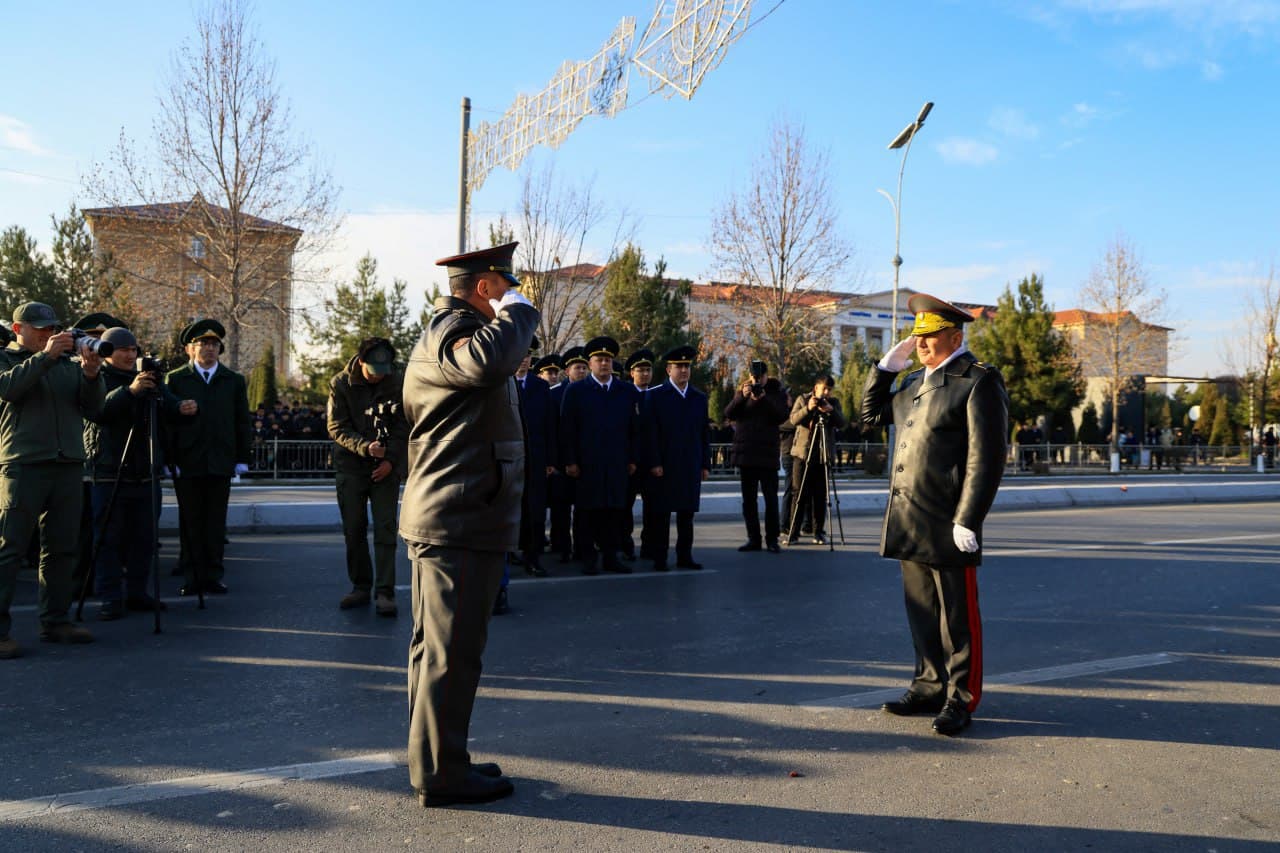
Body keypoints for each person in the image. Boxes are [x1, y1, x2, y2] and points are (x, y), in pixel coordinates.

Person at [400, 240, 535, 807]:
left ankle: (440, 758)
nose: (512, 293)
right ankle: (441, 773)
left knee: (440, 650)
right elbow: (487, 361)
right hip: (457, 517)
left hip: (459, 513)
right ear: (485, 287)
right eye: (505, 285)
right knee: (450, 652)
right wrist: (520, 313)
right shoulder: (453, 332)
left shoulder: (456, 333)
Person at [860, 292, 1009, 737]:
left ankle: (961, 699)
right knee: (922, 611)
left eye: (931, 337)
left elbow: (987, 458)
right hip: (911, 518)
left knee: (957, 618)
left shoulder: (977, 381)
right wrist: (884, 371)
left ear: (955, 335)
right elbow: (870, 416)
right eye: (917, 337)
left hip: (947, 520)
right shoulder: (913, 384)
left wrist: (969, 518)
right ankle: (928, 685)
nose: (921, 345)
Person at [0, 302, 106, 658]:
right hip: (23, 465)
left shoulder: (66, 366)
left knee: (61, 548)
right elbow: (9, 390)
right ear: (18, 330)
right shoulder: (8, 360)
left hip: (67, 464)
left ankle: (56, 621)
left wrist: (92, 376)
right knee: (9, 549)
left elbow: (93, 409)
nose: (49, 333)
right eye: (40, 328)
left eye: (52, 328)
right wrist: (45, 357)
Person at [87, 327, 193, 620]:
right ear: (109, 351)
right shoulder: (98, 377)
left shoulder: (150, 379)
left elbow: (169, 408)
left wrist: (184, 408)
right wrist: (131, 391)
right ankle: (110, 597)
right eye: (123, 350)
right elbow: (99, 411)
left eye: (134, 350)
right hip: (109, 472)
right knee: (108, 538)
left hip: (146, 472)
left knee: (144, 538)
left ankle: (137, 593)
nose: (130, 355)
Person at [164, 319, 252, 597]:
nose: (209, 349)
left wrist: (242, 457)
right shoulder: (176, 379)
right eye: (203, 344)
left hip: (220, 459)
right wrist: (170, 458)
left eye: (214, 344)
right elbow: (168, 422)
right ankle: (191, 576)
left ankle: (213, 575)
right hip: (188, 460)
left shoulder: (233, 380)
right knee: (190, 521)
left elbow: (241, 421)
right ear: (190, 349)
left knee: (215, 522)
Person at [327, 337, 408, 617]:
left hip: (385, 468)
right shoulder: (341, 383)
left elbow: (405, 424)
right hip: (351, 466)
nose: (379, 376)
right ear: (361, 362)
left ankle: (385, 592)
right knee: (354, 529)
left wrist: (390, 460)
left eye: (383, 370)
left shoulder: (397, 382)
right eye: (374, 370)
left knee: (386, 529)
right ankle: (360, 586)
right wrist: (365, 447)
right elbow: (337, 426)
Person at [559, 336, 640, 575]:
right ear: (590, 363)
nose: (604, 364)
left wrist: (633, 458)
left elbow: (635, 429)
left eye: (608, 360)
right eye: (599, 360)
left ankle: (611, 556)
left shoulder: (625, 391)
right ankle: (587, 557)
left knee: (614, 511)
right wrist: (570, 461)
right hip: (587, 463)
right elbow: (567, 429)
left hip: (616, 462)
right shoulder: (576, 391)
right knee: (587, 511)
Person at [641, 346, 710, 570]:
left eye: (687, 367)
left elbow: (703, 433)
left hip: (689, 463)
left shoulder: (698, 398)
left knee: (686, 514)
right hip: (665, 464)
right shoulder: (655, 395)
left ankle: (684, 556)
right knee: (661, 514)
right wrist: (654, 462)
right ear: (669, 369)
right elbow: (649, 433)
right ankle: (660, 557)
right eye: (678, 366)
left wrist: (704, 463)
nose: (683, 371)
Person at [723, 360, 789, 553]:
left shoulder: (776, 391)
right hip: (747, 454)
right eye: (754, 377)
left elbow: (781, 416)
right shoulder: (743, 390)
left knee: (770, 499)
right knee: (748, 500)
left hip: (767, 454)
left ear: (767, 375)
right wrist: (742, 397)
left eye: (760, 377)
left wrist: (764, 399)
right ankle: (753, 538)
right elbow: (729, 413)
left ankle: (772, 539)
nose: (757, 381)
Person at [786, 376, 846, 545]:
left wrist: (831, 411)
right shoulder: (802, 399)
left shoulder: (833, 402)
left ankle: (818, 532)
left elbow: (842, 422)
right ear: (816, 387)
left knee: (820, 495)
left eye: (829, 389)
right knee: (799, 493)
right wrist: (808, 408)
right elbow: (793, 420)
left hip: (822, 454)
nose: (826, 392)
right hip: (802, 454)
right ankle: (793, 532)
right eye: (824, 389)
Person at [514, 338, 555, 580]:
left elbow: (550, 424)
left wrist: (551, 458)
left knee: (535, 510)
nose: (524, 359)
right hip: (509, 457)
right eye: (520, 354)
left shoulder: (540, 387)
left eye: (528, 355)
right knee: (509, 507)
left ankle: (533, 557)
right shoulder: (502, 383)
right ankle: (507, 553)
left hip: (536, 457)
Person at [548, 346, 587, 564]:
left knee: (582, 509)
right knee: (561, 509)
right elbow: (552, 431)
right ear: (567, 371)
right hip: (561, 462)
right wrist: (554, 462)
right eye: (577, 368)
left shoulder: (589, 392)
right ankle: (562, 547)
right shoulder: (554, 394)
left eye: (583, 367)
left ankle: (582, 547)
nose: (581, 371)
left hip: (583, 461)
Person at [621, 348, 657, 561]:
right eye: (640, 370)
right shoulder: (625, 395)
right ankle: (625, 544)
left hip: (651, 461)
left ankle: (649, 545)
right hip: (630, 462)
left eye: (648, 370)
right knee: (625, 506)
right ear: (631, 373)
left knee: (652, 507)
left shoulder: (657, 395)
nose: (644, 374)